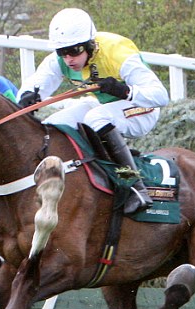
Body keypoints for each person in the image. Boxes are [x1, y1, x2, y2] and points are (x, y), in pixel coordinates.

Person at [16, 8, 169, 214]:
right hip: (107, 107)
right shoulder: (61, 59)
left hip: (143, 109)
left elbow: (160, 96)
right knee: (55, 123)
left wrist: (123, 90)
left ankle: (134, 186)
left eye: (75, 50)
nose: (69, 59)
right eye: (63, 52)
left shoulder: (117, 52)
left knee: (95, 117)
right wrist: (27, 97)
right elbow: (36, 85)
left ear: (90, 44)